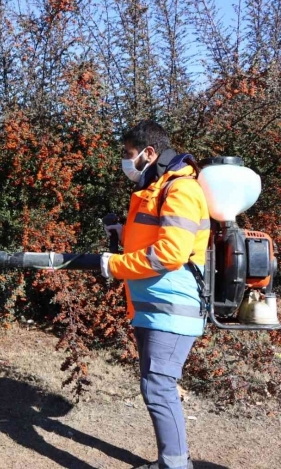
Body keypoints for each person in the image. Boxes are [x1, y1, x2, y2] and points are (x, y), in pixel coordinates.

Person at [101, 120, 210, 469]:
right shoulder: (157, 188)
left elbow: (170, 254)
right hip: (154, 308)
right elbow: (151, 242)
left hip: (171, 308)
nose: (125, 162)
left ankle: (175, 466)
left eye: (128, 155)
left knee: (158, 388)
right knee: (156, 387)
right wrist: (121, 234)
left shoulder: (180, 190)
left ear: (150, 153)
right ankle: (173, 463)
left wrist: (114, 266)